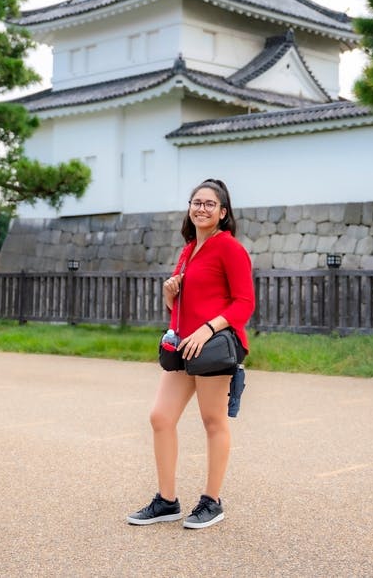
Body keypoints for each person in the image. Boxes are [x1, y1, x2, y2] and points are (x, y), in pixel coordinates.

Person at [127, 178, 255, 529]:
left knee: (213, 422)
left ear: (223, 212)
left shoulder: (229, 248)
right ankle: (167, 501)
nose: (201, 208)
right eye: (196, 202)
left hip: (213, 347)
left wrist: (209, 327)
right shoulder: (187, 250)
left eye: (209, 204)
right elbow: (182, 303)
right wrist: (170, 293)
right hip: (183, 347)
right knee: (160, 417)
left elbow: (244, 303)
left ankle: (212, 502)